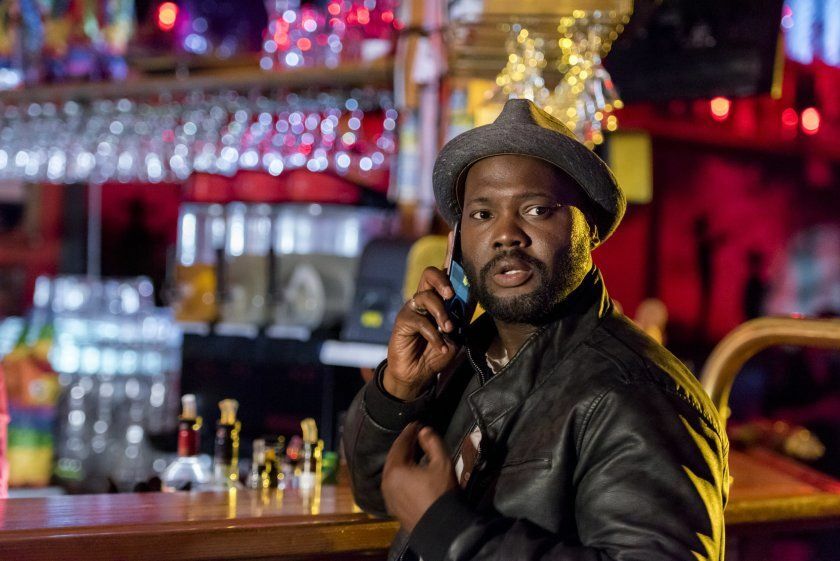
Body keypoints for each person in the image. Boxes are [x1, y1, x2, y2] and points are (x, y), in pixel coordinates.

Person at [343, 99, 729, 561]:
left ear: (589, 229)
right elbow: (378, 492)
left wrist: (451, 531)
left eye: (537, 210)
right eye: (482, 214)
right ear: (456, 245)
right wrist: (400, 389)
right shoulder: (464, 358)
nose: (506, 234)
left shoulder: (635, 391)